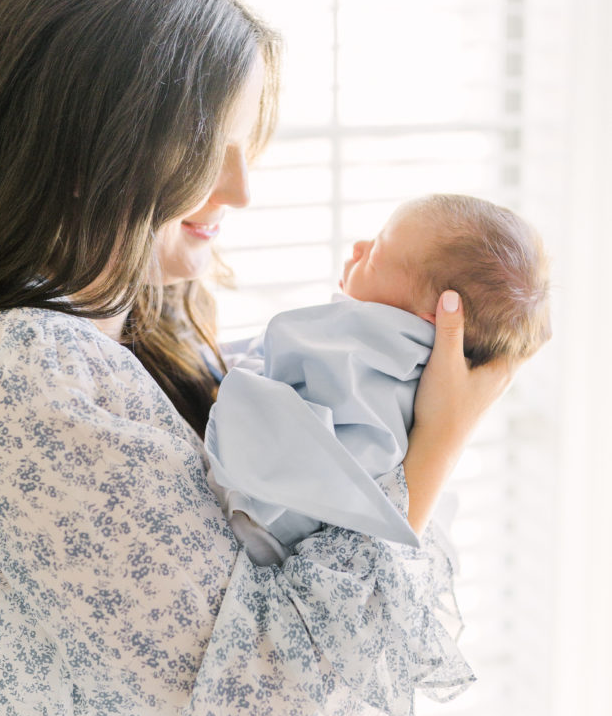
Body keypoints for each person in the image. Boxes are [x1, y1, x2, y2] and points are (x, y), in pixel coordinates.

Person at [0, 0, 513, 716]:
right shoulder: (30, 369)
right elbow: (262, 710)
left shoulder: (123, 330)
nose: (240, 190)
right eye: (212, 147)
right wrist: (435, 445)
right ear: (98, 141)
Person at [205, 194, 551, 566]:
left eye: (373, 254)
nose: (358, 248)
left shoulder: (363, 342)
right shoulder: (434, 383)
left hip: (269, 517)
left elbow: (274, 362)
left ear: (432, 318)